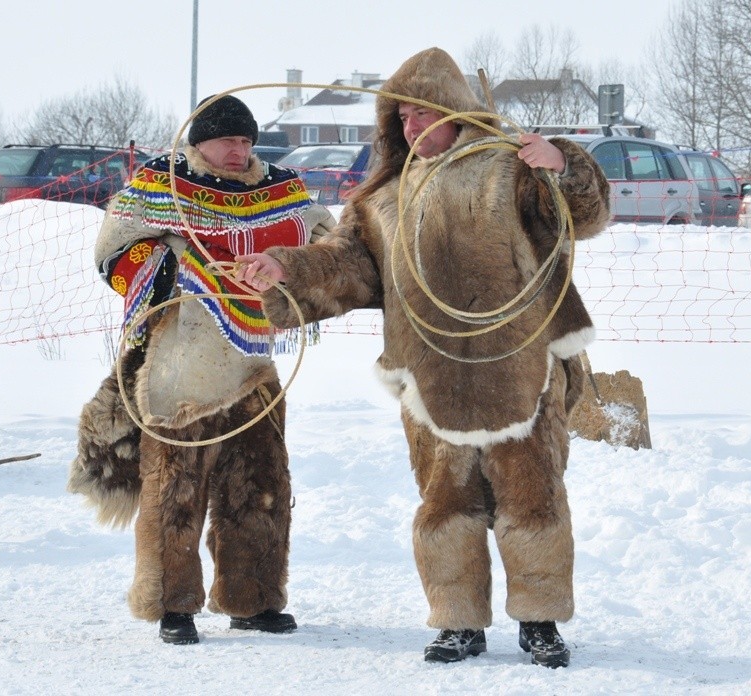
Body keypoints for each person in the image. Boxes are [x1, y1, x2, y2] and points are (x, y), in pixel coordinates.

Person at [235, 48, 610, 667]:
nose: (409, 129)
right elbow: (349, 265)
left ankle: (540, 621)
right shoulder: (382, 198)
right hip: (430, 373)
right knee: (444, 499)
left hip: (518, 365)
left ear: (454, 113)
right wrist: (285, 269)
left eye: (421, 116)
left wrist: (562, 163)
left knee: (533, 494)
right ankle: (457, 622)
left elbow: (583, 214)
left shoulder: (509, 169)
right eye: (401, 118)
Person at [68, 94, 335, 645]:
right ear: (199, 142)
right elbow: (111, 251)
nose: (238, 151)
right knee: (174, 487)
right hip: (179, 364)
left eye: (245, 141)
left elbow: (330, 249)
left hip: (254, 364)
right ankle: (173, 604)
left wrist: (297, 274)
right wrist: (165, 271)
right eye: (227, 140)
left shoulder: (284, 192)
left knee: (259, 482)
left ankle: (252, 598)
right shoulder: (160, 185)